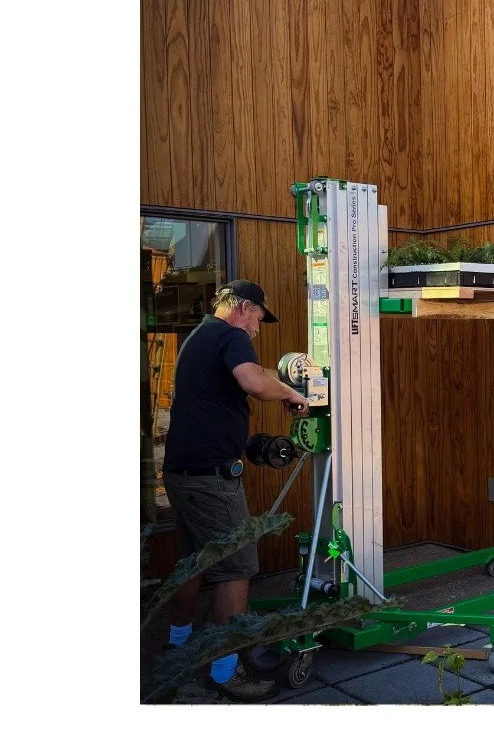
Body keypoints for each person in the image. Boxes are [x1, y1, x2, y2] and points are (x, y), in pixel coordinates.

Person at [161, 278, 309, 702]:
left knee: (194, 562)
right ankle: (223, 672)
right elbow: (254, 381)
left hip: (182, 473)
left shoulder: (200, 337)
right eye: (259, 318)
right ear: (243, 307)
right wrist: (293, 394)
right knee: (238, 567)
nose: (258, 329)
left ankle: (178, 643)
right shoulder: (230, 335)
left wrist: (278, 388)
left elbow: (254, 379)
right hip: (212, 480)